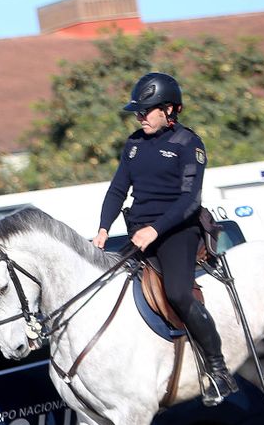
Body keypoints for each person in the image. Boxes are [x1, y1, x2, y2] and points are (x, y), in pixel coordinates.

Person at [96, 72, 236, 405]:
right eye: (137, 112)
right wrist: (103, 227)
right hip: (138, 233)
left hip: (176, 232)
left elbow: (190, 201)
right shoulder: (133, 145)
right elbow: (118, 189)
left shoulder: (189, 144)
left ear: (170, 110)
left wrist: (156, 230)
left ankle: (218, 370)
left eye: (146, 110)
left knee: (177, 292)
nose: (140, 116)